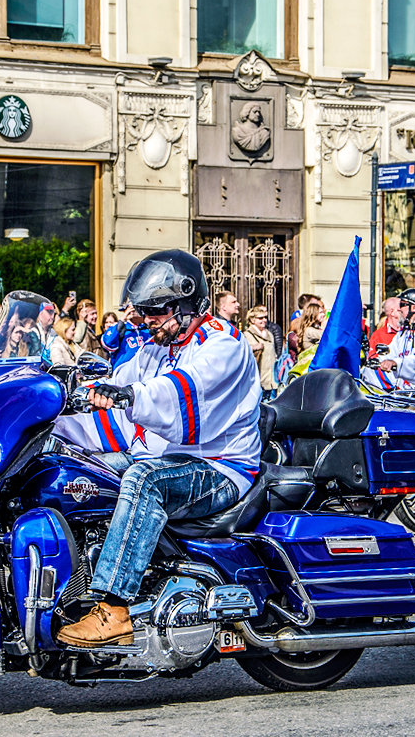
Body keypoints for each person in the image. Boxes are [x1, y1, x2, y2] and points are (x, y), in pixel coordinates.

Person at [55, 250, 261, 647]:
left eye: (156, 310)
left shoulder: (225, 346)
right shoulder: (154, 351)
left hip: (218, 468)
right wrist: (55, 421)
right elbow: (115, 404)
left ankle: (114, 609)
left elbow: (178, 395)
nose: (147, 320)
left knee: (144, 479)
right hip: (166, 460)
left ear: (186, 303)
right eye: (144, 311)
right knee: (68, 470)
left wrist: (125, 393)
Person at [243, 305, 278, 396]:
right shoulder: (247, 334)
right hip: (258, 380)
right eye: (260, 318)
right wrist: (254, 347)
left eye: (265, 317)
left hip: (272, 381)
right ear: (252, 320)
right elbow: (243, 352)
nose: (264, 320)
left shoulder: (269, 334)